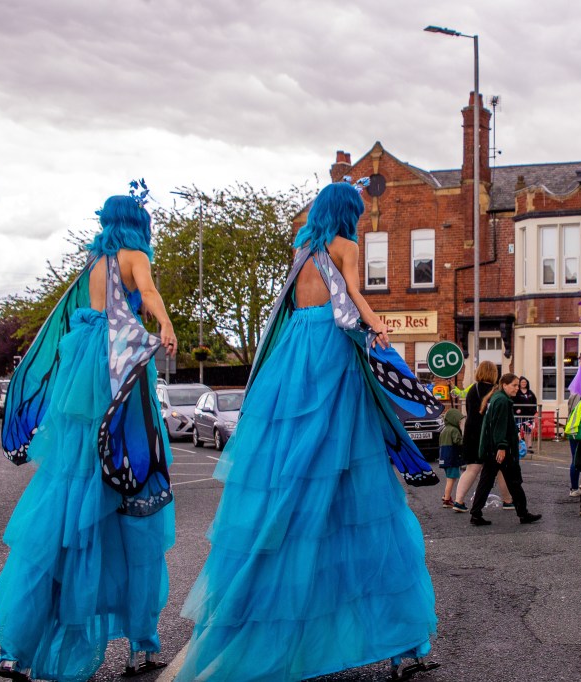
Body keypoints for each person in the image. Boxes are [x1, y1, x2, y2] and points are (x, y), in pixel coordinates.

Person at [176, 179, 438, 681]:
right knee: (356, 477)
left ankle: (265, 630)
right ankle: (401, 642)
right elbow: (354, 296)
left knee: (289, 473)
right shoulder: (345, 246)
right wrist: (378, 326)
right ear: (347, 213)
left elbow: (292, 307)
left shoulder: (302, 250)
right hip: (331, 353)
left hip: (293, 357)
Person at [0, 188, 177, 681]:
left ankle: (16, 652)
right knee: (137, 504)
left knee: (60, 518)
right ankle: (141, 647)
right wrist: (165, 323)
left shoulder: (95, 264)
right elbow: (149, 293)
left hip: (84, 381)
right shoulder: (134, 256)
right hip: (119, 378)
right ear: (137, 223)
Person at [469, 374, 543, 526]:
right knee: (513, 481)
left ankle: (476, 514)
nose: (517, 388)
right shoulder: (502, 401)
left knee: (487, 481)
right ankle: (523, 514)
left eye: (518, 385)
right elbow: (499, 425)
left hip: (492, 449)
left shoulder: (497, 398)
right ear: (504, 385)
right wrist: (501, 447)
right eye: (514, 385)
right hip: (500, 450)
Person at [452, 360, 514, 513]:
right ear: (494, 374)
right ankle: (508, 500)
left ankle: (458, 501)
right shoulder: (496, 391)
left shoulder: (472, 389)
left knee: (471, 468)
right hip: (488, 434)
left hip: (471, 432)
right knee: (500, 468)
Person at [439, 407, 465, 508]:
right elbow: (458, 442)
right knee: (451, 479)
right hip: (452, 458)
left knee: (449, 478)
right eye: (459, 420)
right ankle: (447, 500)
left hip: (444, 458)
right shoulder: (454, 430)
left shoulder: (444, 430)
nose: (460, 423)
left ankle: (446, 495)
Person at [513, 376, 539, 450]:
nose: (523, 383)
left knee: (528, 431)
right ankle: (518, 447)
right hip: (518, 416)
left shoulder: (530, 393)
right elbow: (513, 402)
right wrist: (516, 409)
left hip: (528, 415)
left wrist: (534, 412)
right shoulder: (516, 392)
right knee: (517, 431)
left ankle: (529, 446)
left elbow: (534, 402)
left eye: (525, 382)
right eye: (522, 382)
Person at [565, 391, 581, 496]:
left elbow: (569, 411)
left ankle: (574, 488)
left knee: (575, 459)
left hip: (573, 429)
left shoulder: (574, 394)